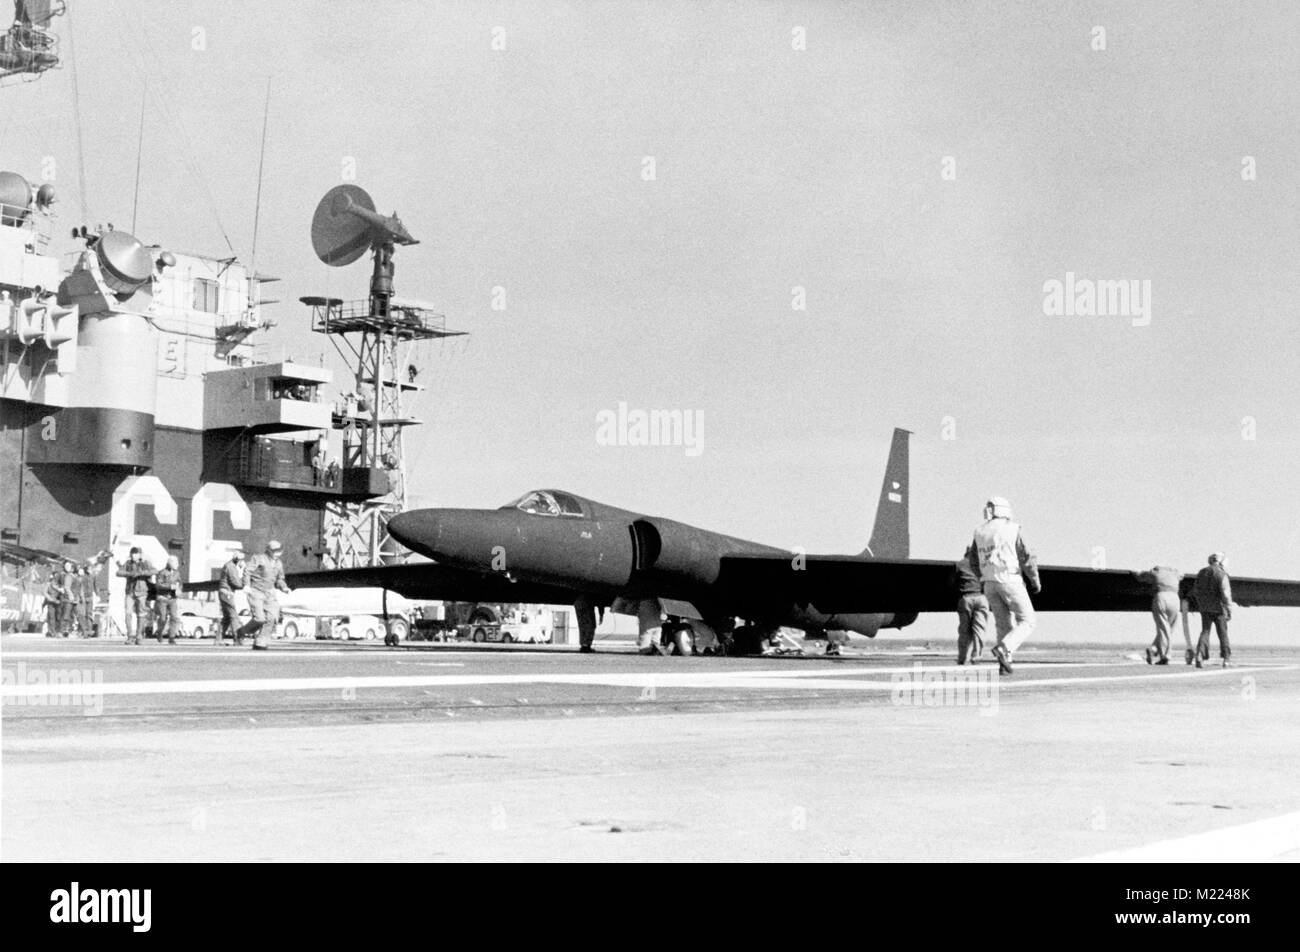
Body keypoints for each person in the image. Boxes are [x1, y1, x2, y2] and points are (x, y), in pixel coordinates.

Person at [969, 496, 1040, 676]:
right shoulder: (1013, 529)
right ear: (1005, 510)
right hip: (1010, 580)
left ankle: (1005, 663)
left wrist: (983, 577)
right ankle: (1004, 649)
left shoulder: (979, 532)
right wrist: (1034, 580)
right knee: (1028, 621)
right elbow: (1027, 557)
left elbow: (973, 561)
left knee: (1003, 624)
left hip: (989, 584)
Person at [236, 540, 291, 650]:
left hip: (270, 593)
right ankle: (242, 631)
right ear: (269, 551)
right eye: (275, 551)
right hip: (256, 591)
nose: (278, 553)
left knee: (271, 618)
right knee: (259, 619)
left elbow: (279, 579)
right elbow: (247, 571)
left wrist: (284, 587)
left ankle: (260, 642)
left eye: (279, 551)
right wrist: (246, 585)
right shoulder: (259, 558)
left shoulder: (278, 563)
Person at [1135, 565, 1182, 665]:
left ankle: (1165, 655)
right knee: (1170, 628)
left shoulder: (1155, 572)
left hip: (1161, 597)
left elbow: (1140, 576)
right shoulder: (1175, 573)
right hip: (1175, 598)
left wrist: (1135, 572)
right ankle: (1154, 649)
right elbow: (1182, 576)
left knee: (1163, 628)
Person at [1193, 553, 1233, 668]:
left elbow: (1196, 590)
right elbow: (1226, 594)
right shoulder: (1222, 574)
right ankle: (1226, 659)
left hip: (1205, 608)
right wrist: (1229, 609)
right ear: (1221, 562)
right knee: (1223, 633)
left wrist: (1201, 603)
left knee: (1205, 631)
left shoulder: (1201, 573)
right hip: (1219, 609)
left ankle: (1199, 655)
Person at [955, 545, 990, 665]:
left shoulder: (959, 564)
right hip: (981, 597)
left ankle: (962, 657)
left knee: (964, 630)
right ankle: (977, 655)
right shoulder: (983, 565)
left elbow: (952, 582)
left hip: (966, 597)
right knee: (979, 629)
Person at [116, 547, 156, 645]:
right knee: (128, 613)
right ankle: (130, 636)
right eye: (132, 553)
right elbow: (118, 572)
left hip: (142, 592)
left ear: (140, 554)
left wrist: (141, 573)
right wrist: (129, 574)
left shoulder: (145, 563)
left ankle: (139, 636)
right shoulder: (128, 563)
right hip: (130, 592)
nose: (134, 555)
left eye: (136, 553)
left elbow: (155, 570)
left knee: (141, 614)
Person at [216, 550, 245, 646]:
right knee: (233, 616)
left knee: (227, 618)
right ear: (238, 560)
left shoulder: (228, 565)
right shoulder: (231, 567)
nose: (242, 562)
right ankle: (237, 639)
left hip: (223, 593)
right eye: (241, 560)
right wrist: (244, 575)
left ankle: (219, 639)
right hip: (227, 594)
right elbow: (236, 582)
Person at [153, 555, 182, 645]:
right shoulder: (161, 573)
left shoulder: (177, 573)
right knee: (163, 617)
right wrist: (170, 587)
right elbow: (158, 585)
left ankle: (171, 637)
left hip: (172, 598)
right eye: (175, 562)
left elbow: (180, 583)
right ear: (170, 563)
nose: (177, 564)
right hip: (162, 598)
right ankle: (160, 632)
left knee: (174, 617)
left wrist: (179, 590)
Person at [57, 560, 79, 636]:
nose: (68, 567)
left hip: (73, 599)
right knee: (65, 615)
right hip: (66, 598)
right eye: (66, 566)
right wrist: (59, 589)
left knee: (72, 615)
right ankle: (61, 631)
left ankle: (68, 630)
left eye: (69, 566)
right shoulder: (61, 575)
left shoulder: (73, 576)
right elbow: (55, 584)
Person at [42, 566, 65, 637]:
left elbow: (63, 592)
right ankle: (52, 631)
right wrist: (50, 598)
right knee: (51, 617)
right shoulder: (48, 584)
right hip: (51, 602)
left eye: (57, 576)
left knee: (58, 617)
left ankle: (58, 631)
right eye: (55, 576)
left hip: (58, 602)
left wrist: (61, 594)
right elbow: (45, 592)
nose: (56, 577)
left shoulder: (61, 585)